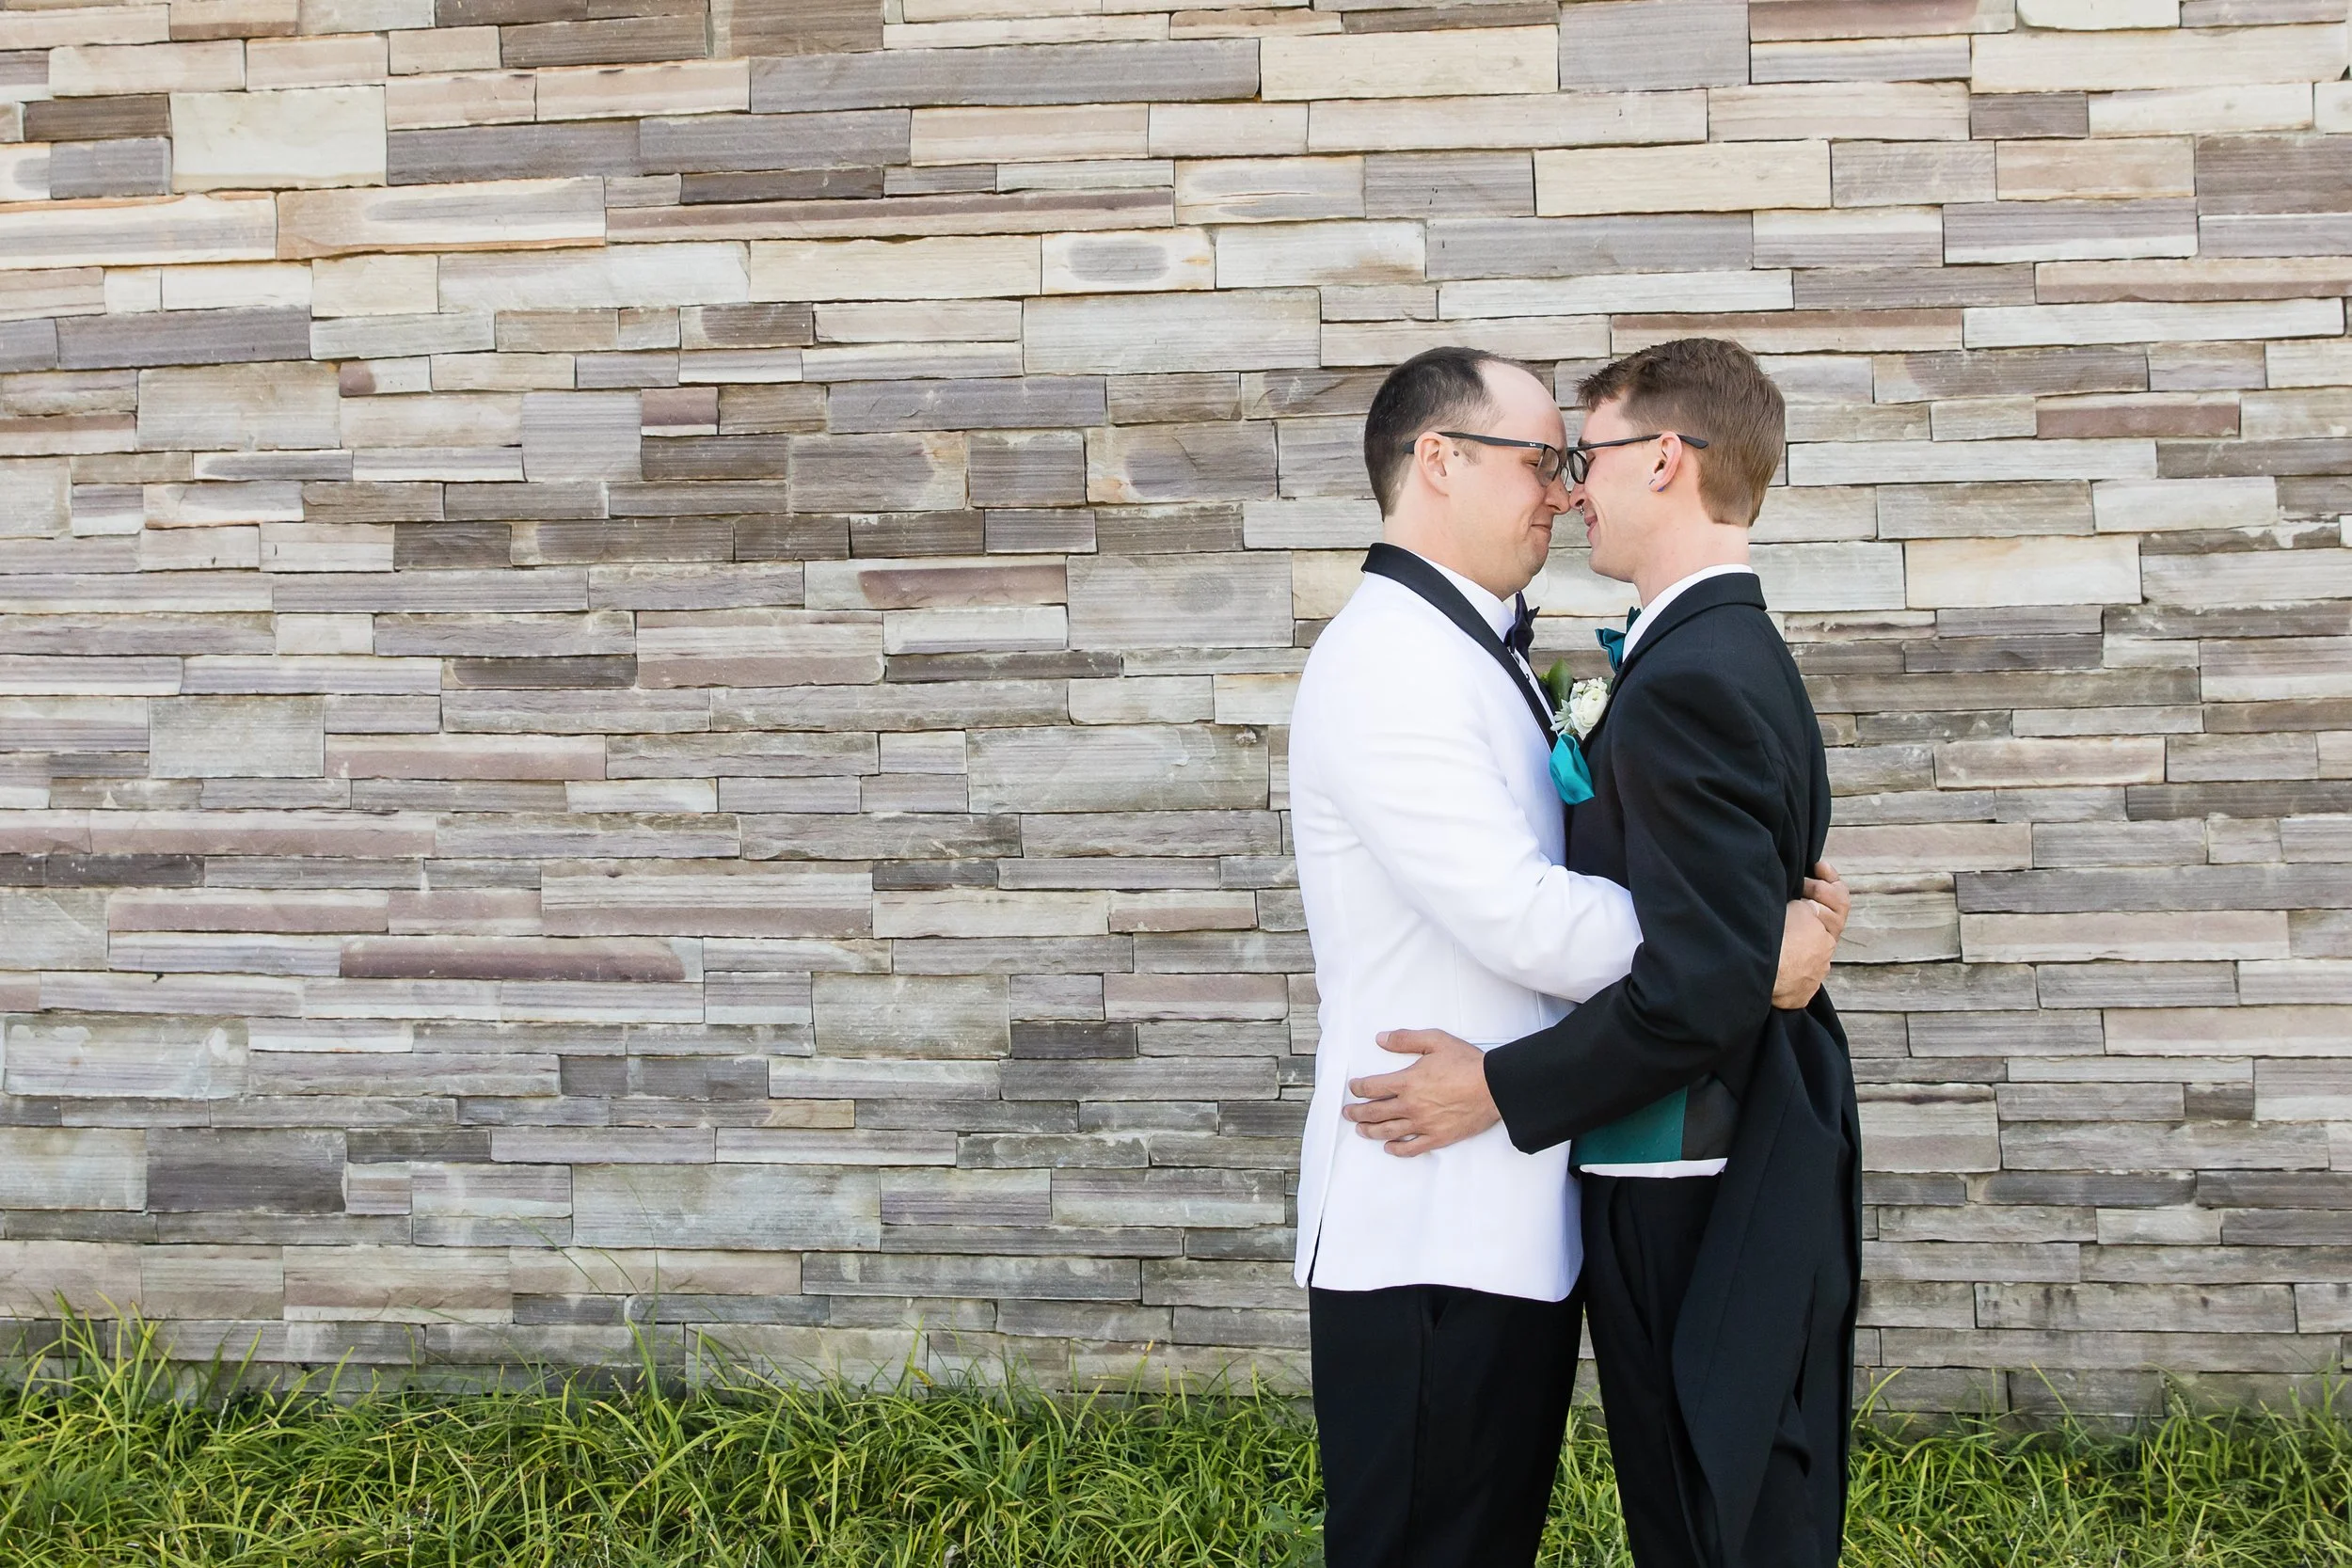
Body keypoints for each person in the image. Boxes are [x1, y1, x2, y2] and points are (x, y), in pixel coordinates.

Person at [1291, 344, 1848, 1568]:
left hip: (1509, 1199)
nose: (1563, 490)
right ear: (1440, 460)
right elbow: (1521, 914)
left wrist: (1725, 940)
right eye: (1540, 462)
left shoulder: (1474, 648)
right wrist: (1739, 948)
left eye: (1573, 461)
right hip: (1427, 1208)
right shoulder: (1389, 659)